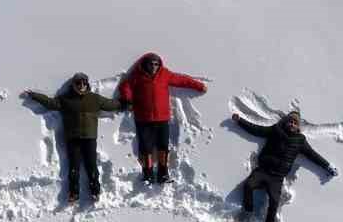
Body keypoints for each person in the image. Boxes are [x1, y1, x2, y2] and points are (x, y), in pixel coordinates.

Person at [21, 74, 124, 203]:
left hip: (89, 138)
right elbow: (51, 103)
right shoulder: (65, 99)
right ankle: (73, 193)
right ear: (74, 85)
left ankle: (95, 191)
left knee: (91, 166)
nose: (81, 86)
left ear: (87, 84)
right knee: (74, 167)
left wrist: (123, 103)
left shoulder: (94, 99)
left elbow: (110, 104)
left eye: (83, 83)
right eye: (78, 83)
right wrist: (35, 96)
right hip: (72, 138)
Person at [230, 111, 336, 222]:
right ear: (286, 122)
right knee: (248, 185)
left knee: (274, 202)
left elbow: (313, 155)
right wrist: (240, 121)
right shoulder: (276, 130)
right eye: (290, 121)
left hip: (277, 178)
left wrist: (327, 166)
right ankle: (248, 211)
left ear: (298, 126)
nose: (292, 124)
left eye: (295, 123)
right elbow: (257, 130)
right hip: (263, 171)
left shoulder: (300, 140)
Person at [117, 52, 206, 184]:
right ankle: (147, 175)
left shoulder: (165, 74)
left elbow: (181, 80)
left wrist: (199, 86)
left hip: (162, 118)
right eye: (151, 64)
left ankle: (163, 174)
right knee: (146, 148)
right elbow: (125, 86)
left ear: (159, 65)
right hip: (143, 118)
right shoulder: (137, 76)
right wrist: (128, 99)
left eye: (156, 64)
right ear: (145, 64)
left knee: (163, 147)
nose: (154, 66)